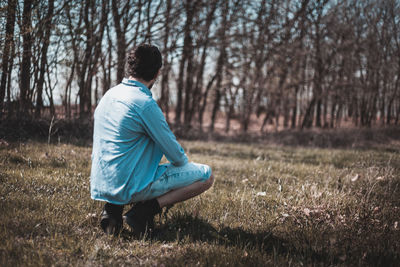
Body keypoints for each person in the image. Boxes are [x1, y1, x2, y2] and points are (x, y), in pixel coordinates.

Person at [90, 44, 214, 236]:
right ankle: (143, 213)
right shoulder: (145, 104)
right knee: (206, 175)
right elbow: (178, 158)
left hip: (102, 184)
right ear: (157, 73)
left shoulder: (109, 95)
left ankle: (113, 210)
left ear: (130, 67)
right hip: (128, 186)